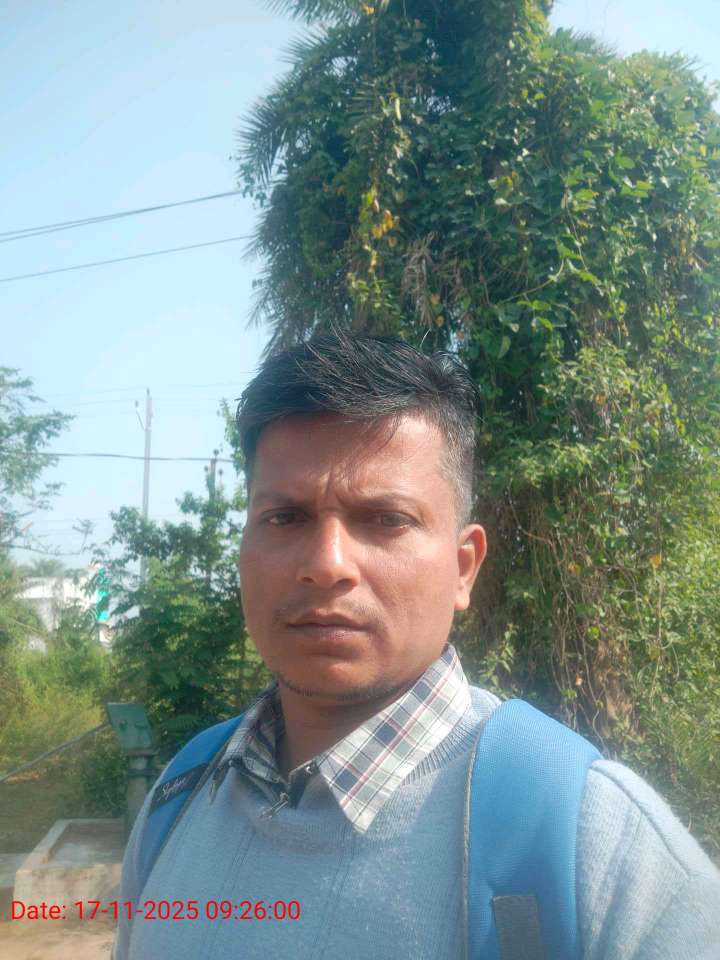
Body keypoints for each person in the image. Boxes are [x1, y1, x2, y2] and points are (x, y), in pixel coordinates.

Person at [114, 333, 720, 960]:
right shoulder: (180, 798)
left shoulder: (594, 842)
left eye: (386, 519)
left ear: (464, 568)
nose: (327, 565)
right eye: (285, 517)